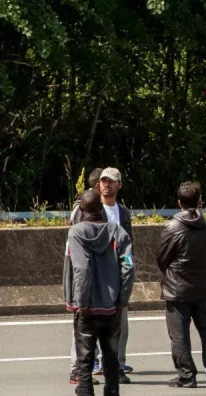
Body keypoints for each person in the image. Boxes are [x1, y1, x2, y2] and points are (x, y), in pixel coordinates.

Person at [157, 182, 206, 388]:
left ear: (178, 202)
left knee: (179, 335)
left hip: (177, 288)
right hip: (204, 287)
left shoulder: (172, 227)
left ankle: (187, 375)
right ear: (199, 201)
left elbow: (162, 258)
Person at [64, 190, 134, 396]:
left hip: (87, 309)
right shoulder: (119, 233)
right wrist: (122, 301)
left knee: (84, 363)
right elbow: (129, 267)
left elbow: (82, 269)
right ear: (101, 209)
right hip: (112, 307)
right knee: (111, 361)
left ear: (82, 210)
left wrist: (82, 304)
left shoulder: (76, 233)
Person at [96, 168, 134, 382]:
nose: (106, 185)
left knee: (121, 322)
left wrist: (130, 267)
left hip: (119, 273)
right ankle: (92, 363)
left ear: (119, 184)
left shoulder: (124, 212)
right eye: (103, 181)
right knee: (95, 320)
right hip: (99, 272)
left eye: (111, 181)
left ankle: (117, 365)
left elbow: (130, 244)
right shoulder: (93, 209)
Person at [69, 167, 104, 385]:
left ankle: (91, 365)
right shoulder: (80, 221)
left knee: (89, 328)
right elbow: (79, 266)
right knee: (82, 329)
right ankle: (79, 371)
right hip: (87, 281)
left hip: (90, 281)